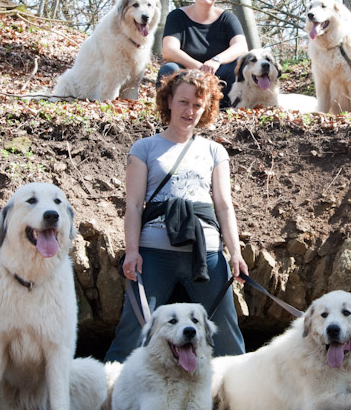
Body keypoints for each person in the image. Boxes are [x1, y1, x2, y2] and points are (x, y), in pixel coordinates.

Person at [104, 69, 247, 362]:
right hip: (154, 252)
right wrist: (132, 252)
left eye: (198, 105)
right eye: (183, 102)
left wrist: (235, 253)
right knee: (134, 330)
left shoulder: (215, 151)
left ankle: (238, 400)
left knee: (225, 333)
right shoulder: (144, 148)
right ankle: (105, 396)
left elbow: (223, 205)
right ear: (168, 101)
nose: (190, 111)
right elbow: (133, 205)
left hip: (205, 253)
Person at [158, 0, 248, 107]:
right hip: (186, 73)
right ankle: (171, 118)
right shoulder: (177, 16)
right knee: (169, 69)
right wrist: (199, 67)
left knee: (239, 65)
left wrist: (215, 61)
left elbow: (241, 47)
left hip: (219, 76)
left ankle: (226, 111)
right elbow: (169, 50)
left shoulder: (228, 18)